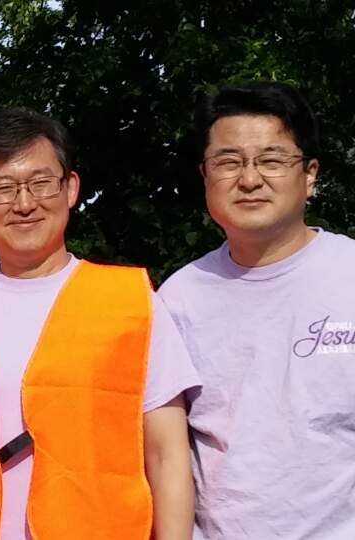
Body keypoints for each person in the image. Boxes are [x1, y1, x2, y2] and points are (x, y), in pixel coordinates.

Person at [0, 108, 201, 539]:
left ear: (71, 188)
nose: (25, 204)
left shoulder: (130, 302)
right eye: (2, 188)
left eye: (41, 183)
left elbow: (167, 454)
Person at [158, 81, 355, 539]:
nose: (249, 179)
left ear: (310, 174)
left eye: (271, 160)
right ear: (205, 176)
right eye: (228, 162)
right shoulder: (177, 298)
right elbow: (165, 452)